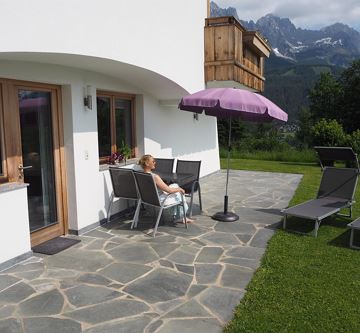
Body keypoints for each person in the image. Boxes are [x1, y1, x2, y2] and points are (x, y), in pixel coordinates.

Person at [138, 154, 194, 223]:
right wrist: (180, 189)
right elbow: (169, 190)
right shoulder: (155, 177)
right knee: (179, 192)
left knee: (174, 185)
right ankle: (181, 217)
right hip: (160, 200)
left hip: (148, 199)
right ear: (147, 163)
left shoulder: (140, 174)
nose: (155, 163)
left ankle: (178, 215)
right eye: (153, 161)